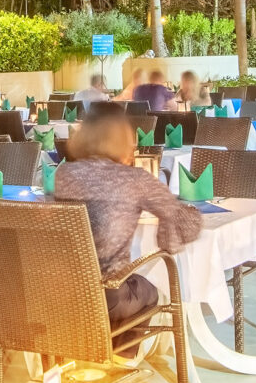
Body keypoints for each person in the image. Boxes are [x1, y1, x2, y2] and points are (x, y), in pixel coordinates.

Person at [52, 113, 202, 324]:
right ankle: (125, 355)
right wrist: (188, 214)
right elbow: (186, 224)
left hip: (62, 294)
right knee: (155, 287)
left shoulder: (64, 174)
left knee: (129, 282)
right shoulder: (133, 178)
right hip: (109, 298)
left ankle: (104, 351)